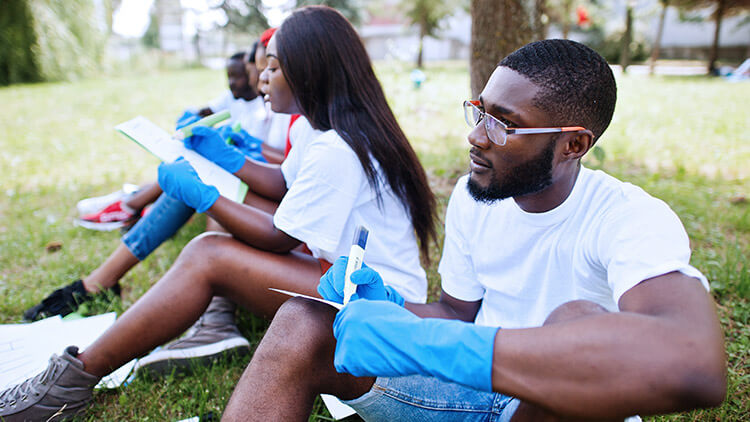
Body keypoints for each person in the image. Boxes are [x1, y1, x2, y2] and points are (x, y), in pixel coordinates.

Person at [220, 39, 727, 421]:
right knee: (304, 318)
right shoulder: (474, 196)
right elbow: (456, 313)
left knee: (574, 319)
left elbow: (695, 366)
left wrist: (439, 348)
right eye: (479, 110)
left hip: (549, 408)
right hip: (463, 392)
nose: (475, 135)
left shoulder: (628, 217)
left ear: (573, 144)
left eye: (503, 124)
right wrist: (388, 307)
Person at [0, 6, 437, 421]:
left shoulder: (338, 148)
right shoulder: (313, 127)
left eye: (273, 66)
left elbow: (277, 237)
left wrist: (205, 195)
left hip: (376, 299)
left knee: (208, 254)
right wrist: (227, 158)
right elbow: (282, 185)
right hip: (338, 276)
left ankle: (69, 383)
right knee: (212, 246)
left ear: (309, 70)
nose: (262, 77)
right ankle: (92, 367)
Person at [23, 49, 272, 322]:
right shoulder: (279, 107)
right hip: (273, 208)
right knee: (194, 175)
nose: (260, 82)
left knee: (205, 185)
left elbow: (285, 218)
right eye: (258, 73)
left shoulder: (295, 118)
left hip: (286, 234)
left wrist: (247, 153)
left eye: (269, 71)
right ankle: (102, 275)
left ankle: (216, 318)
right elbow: (285, 176)